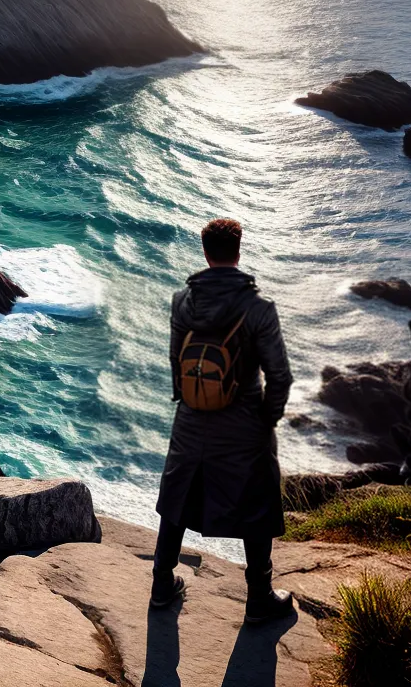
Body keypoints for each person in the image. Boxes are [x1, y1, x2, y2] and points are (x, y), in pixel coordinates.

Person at [151, 218, 295, 624]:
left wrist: (189, 401)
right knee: (257, 502)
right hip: (244, 422)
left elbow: (176, 359)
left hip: (191, 420)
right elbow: (279, 376)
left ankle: (162, 582)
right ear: (239, 249)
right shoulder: (258, 308)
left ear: (204, 251)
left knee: (178, 495)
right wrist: (265, 420)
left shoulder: (183, 301)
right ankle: (259, 597)